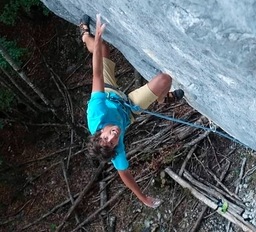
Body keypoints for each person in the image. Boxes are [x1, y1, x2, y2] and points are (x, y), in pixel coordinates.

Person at [79, 14, 184, 208]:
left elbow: (97, 74)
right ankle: (161, 98)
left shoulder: (97, 112)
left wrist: (98, 36)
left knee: (102, 49)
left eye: (106, 138)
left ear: (99, 132)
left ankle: (85, 35)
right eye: (112, 144)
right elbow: (124, 174)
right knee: (165, 80)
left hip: (109, 93)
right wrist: (143, 198)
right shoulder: (115, 149)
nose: (113, 137)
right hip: (129, 109)